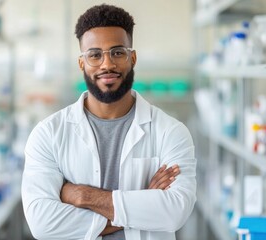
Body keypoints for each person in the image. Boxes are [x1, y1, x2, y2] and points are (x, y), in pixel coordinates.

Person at [21, 4, 196, 240]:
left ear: (132, 57)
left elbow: (175, 211)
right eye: (94, 55)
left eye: (117, 52)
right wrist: (142, 201)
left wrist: (84, 196)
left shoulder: (171, 132)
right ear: (82, 62)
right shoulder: (48, 134)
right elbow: (43, 224)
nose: (107, 64)